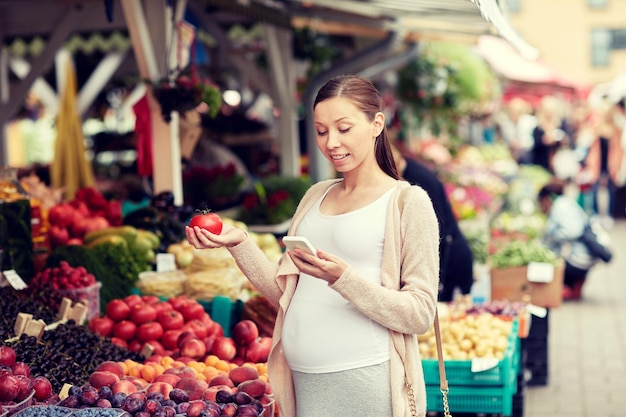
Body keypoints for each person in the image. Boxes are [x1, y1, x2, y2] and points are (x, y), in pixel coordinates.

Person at [186, 74, 440, 417]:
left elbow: (420, 312)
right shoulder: (315, 196)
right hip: (302, 381)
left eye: (344, 128)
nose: (331, 142)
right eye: (321, 132)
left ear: (377, 123)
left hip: (364, 380)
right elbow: (285, 293)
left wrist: (344, 279)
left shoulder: (407, 202)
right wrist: (239, 244)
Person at [391, 144, 474, 302]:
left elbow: (436, 226)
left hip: (451, 259)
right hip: (451, 252)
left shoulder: (416, 180)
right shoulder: (410, 169)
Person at [537, 181, 596, 301]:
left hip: (578, 259)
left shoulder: (560, 206)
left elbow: (573, 231)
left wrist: (554, 236)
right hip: (586, 256)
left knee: (549, 262)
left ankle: (567, 287)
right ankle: (573, 286)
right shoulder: (567, 202)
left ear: (546, 199)